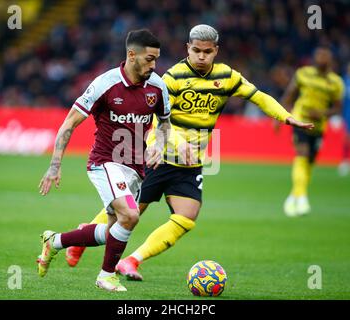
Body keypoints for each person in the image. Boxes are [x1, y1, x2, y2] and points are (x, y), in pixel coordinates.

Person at [65, 24, 313, 280]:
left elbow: (259, 97)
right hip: (157, 159)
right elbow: (156, 118)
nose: (201, 56)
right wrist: (176, 141)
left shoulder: (227, 76)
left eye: (207, 51)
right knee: (125, 214)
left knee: (187, 216)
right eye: (196, 50)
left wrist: (285, 117)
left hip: (190, 163)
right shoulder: (172, 77)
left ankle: (131, 261)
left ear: (216, 50)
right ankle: (83, 235)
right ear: (188, 49)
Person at [36, 29, 171, 292]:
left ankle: (55, 241)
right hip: (105, 162)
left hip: (135, 168)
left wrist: (160, 146)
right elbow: (69, 124)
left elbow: (165, 122)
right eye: (149, 59)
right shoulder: (104, 84)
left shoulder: (157, 86)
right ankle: (106, 276)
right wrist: (55, 165)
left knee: (112, 231)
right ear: (131, 55)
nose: (154, 65)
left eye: (156, 59)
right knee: (130, 216)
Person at [281, 46, 344, 217]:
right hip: (300, 120)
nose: (321, 59)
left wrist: (322, 113)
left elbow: (338, 108)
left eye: (325, 56)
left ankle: (294, 197)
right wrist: (282, 117)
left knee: (309, 162)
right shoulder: (303, 74)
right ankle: (302, 198)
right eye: (319, 56)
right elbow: (289, 96)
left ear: (330, 60)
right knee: (302, 154)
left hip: (319, 126)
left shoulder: (335, 82)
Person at [338, 62, 350, 176]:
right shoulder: (344, 81)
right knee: (347, 138)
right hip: (348, 113)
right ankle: (345, 161)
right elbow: (340, 100)